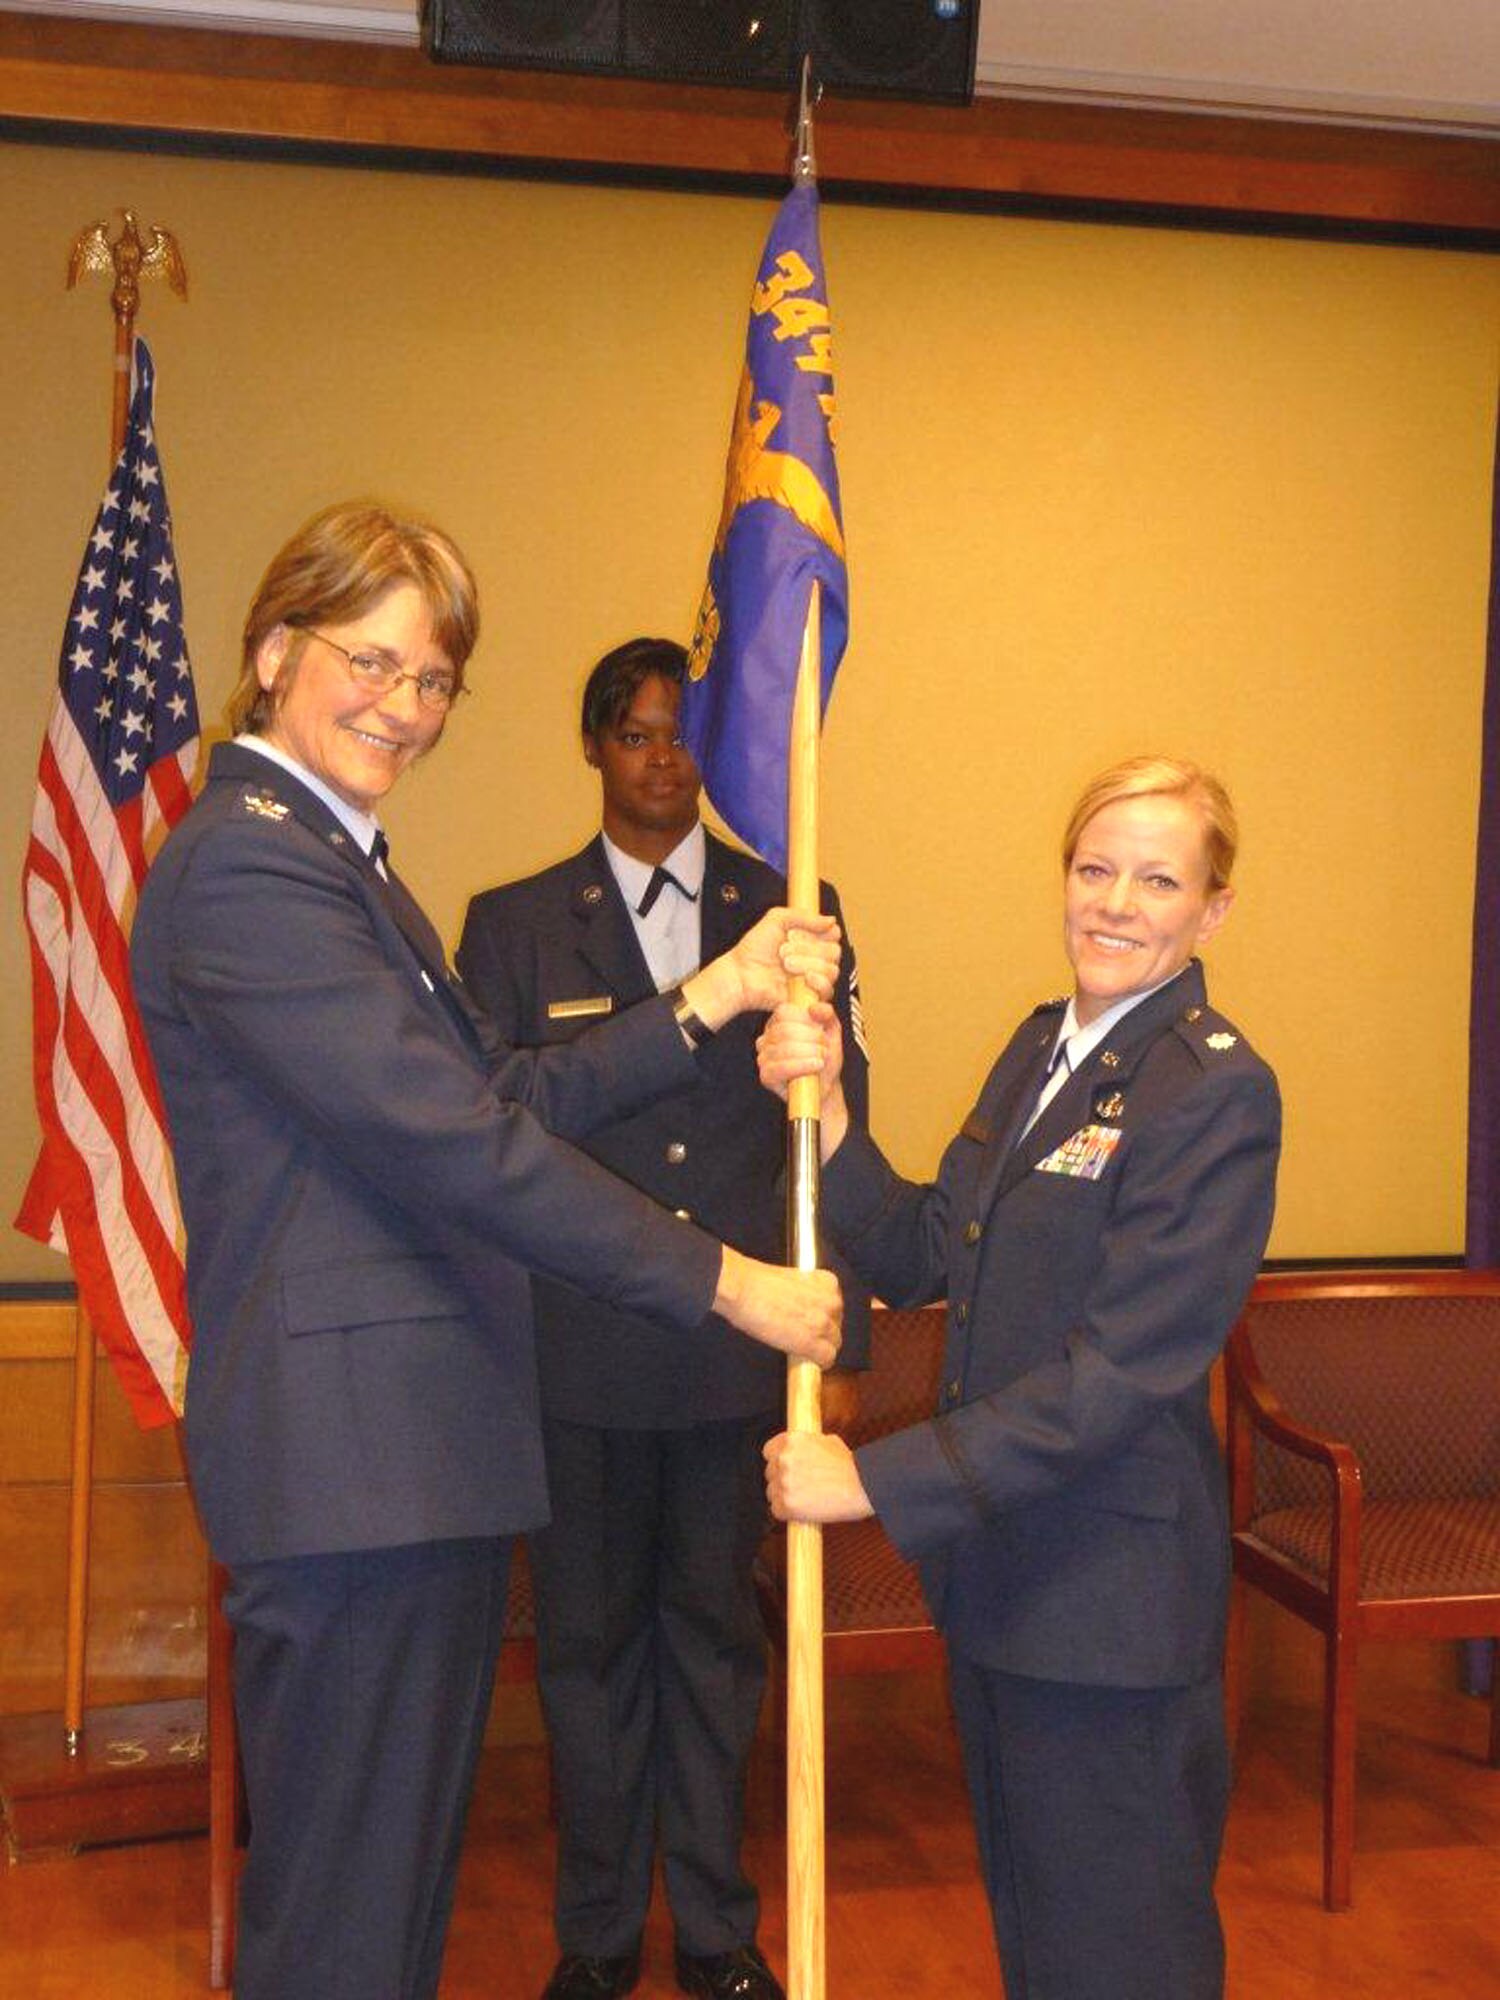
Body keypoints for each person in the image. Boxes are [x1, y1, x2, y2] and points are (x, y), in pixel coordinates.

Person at [128, 502, 844, 2000]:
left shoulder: (346, 866)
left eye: (434, 678)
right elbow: (459, 1146)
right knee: (341, 1926)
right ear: (272, 655)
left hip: (410, 1462)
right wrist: (727, 1283)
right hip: (352, 1474)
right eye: (370, 662)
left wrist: (706, 998)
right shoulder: (251, 871)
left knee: (386, 1917)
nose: (404, 705)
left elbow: (501, 1093)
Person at [758, 756, 1281, 2000]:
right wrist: (827, 1118)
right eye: (1094, 867)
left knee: (1122, 1955)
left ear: (1213, 910)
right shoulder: (1043, 1044)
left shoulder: (1215, 1092)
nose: (1115, 901)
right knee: (1041, 1941)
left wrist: (870, 1480)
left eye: (1159, 878)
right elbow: (941, 1248)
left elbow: (1115, 1376)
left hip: (1109, 1605)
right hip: (1005, 1585)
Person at [456, 637, 870, 2000]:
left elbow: (838, 1128)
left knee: (714, 1649)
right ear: (593, 748)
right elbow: (498, 1116)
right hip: (576, 1358)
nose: (665, 759)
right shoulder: (514, 921)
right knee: (584, 1659)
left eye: (684, 735)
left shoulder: (789, 905)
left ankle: (713, 1930)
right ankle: (592, 1938)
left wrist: (838, 1337)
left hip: (725, 1365)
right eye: (636, 734)